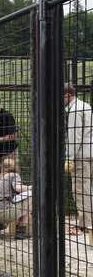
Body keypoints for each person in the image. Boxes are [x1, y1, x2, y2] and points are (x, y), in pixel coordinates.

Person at [64, 83, 93, 232]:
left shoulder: (74, 110)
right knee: (89, 188)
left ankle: (84, 223)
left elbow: (75, 137)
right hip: (91, 152)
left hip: (81, 156)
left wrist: (69, 157)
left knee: (80, 190)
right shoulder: (86, 106)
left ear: (68, 95)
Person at [0, 158, 32, 240]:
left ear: (2, 167)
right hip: (2, 212)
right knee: (30, 197)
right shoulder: (14, 175)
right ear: (14, 167)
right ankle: (21, 232)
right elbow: (18, 188)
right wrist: (31, 187)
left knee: (4, 203)